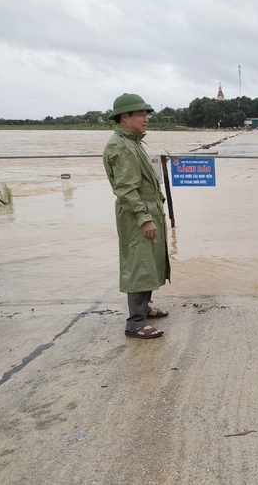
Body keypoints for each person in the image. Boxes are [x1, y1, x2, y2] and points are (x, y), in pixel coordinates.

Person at [103, 93, 171, 339]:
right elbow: (126, 189)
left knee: (149, 261)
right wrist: (144, 218)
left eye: (146, 114)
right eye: (141, 114)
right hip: (136, 212)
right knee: (139, 263)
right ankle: (135, 323)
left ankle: (144, 309)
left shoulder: (132, 142)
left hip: (146, 208)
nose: (146, 119)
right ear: (125, 117)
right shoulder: (121, 147)